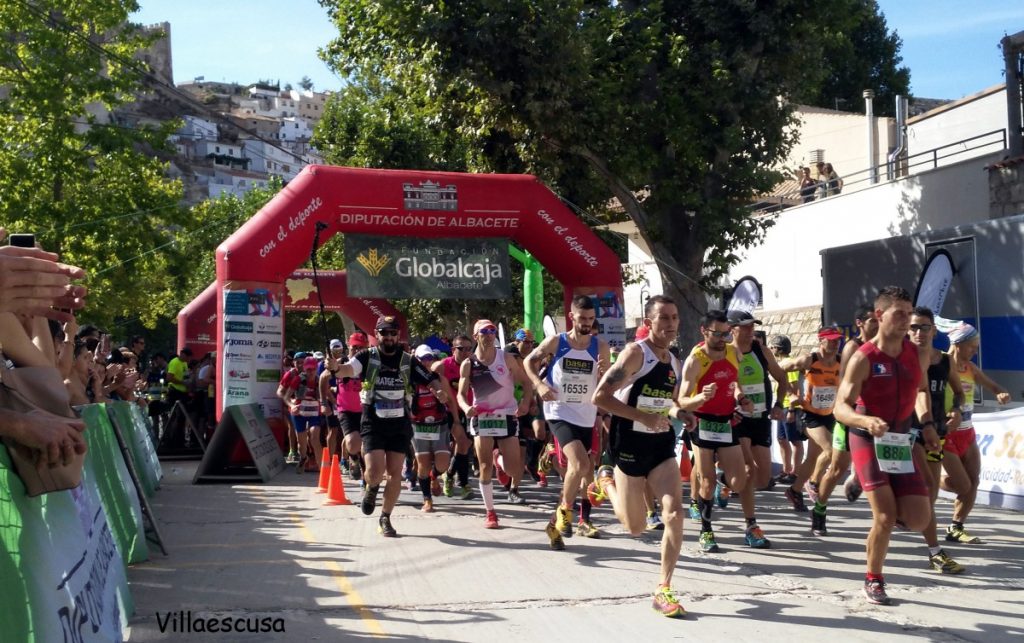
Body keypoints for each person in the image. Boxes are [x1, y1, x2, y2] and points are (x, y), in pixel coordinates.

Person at [588, 295, 691, 618]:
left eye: (674, 318)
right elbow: (599, 397)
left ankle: (663, 587)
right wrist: (642, 417)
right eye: (663, 318)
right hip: (628, 442)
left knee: (674, 513)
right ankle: (606, 483)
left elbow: (669, 401)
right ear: (649, 322)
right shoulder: (636, 354)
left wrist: (680, 413)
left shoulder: (673, 361)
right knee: (634, 528)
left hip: (660, 445)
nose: (671, 324)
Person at [834, 286, 936, 605]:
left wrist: (928, 423)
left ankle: (865, 484)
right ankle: (874, 578)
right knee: (885, 517)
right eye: (900, 314)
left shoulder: (915, 353)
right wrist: (866, 423)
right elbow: (840, 406)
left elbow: (921, 390)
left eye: (910, 313)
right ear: (880, 315)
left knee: (920, 518)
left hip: (899, 439)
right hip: (867, 436)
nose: (907, 321)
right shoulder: (864, 357)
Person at [334, 316, 446, 537]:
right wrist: (335, 368)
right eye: (384, 333)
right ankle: (372, 486)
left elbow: (429, 377)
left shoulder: (407, 360)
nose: (389, 337)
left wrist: (438, 390)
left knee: (395, 474)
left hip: (399, 424)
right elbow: (348, 370)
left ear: (398, 335)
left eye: (392, 333)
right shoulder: (368, 356)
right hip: (374, 423)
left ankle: (385, 517)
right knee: (375, 472)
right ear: (377, 335)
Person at [526, 296, 610, 548]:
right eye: (582, 318)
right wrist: (539, 384)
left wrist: (603, 375)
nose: (586, 323)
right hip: (558, 411)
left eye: (590, 319)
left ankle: (553, 524)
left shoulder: (600, 346)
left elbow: (606, 381)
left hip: (585, 414)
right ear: (571, 317)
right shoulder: (557, 342)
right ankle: (566, 512)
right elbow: (528, 361)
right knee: (580, 463)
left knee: (583, 471)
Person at [677, 309, 752, 553]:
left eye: (726, 333)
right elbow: (681, 400)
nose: (723, 338)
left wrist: (741, 398)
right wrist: (700, 397)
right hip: (702, 422)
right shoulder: (696, 360)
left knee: (739, 481)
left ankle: (724, 482)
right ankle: (706, 531)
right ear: (704, 331)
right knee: (706, 481)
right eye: (717, 334)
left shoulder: (733, 352)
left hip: (726, 421)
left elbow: (735, 383)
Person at [457, 319, 533, 529]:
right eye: (485, 331)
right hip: (482, 417)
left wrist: (526, 403)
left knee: (513, 469)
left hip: (507, 414)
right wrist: (465, 408)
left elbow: (526, 383)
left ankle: (498, 458)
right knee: (484, 467)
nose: (490, 334)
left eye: (492, 331)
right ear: (476, 336)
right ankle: (490, 512)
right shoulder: (468, 364)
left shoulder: (506, 358)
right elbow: (461, 395)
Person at [941, 320, 1012, 544]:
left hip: (968, 433)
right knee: (963, 485)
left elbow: (994, 387)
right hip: (946, 435)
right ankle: (932, 479)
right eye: (972, 345)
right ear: (958, 344)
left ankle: (956, 527)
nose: (976, 350)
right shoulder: (940, 364)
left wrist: (1002, 394)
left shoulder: (971, 369)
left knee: (974, 482)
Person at [907, 307, 965, 573]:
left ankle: (934, 551)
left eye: (924, 327)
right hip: (903, 432)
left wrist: (957, 410)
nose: (919, 333)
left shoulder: (944, 360)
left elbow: (959, 392)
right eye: (913, 327)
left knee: (929, 491)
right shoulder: (901, 357)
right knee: (910, 491)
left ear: (934, 329)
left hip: (934, 433)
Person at [728, 310, 793, 549]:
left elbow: (782, 378)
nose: (750, 331)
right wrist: (738, 397)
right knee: (746, 470)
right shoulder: (727, 353)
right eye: (744, 327)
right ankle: (751, 525)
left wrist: (778, 404)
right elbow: (729, 383)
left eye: (752, 326)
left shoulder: (761, 350)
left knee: (763, 477)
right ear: (732, 328)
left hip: (761, 417)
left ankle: (726, 480)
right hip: (738, 418)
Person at [779, 326, 844, 530]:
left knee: (813, 457)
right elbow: (780, 367)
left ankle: (796, 490)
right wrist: (791, 394)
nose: (834, 344)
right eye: (830, 340)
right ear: (820, 340)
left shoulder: (841, 361)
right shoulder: (809, 359)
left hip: (829, 414)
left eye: (837, 341)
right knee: (831, 451)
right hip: (808, 414)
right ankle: (815, 483)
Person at [410, 344, 462, 512]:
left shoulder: (439, 379)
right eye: (422, 359)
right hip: (419, 426)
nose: (426, 362)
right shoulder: (409, 381)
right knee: (423, 465)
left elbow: (451, 402)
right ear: (416, 361)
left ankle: (434, 477)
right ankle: (427, 499)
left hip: (439, 425)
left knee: (442, 464)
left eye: (429, 358)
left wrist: (456, 421)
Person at [434, 334, 475, 500]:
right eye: (460, 348)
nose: (465, 352)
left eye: (468, 348)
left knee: (464, 446)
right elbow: (431, 370)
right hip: (450, 410)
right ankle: (463, 483)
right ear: (453, 350)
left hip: (470, 410)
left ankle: (449, 474)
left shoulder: (475, 365)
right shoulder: (445, 365)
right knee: (463, 442)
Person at [768, 335, 803, 483]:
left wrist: (792, 410)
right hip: (782, 406)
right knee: (781, 439)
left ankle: (796, 472)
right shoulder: (779, 364)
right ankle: (786, 469)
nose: (770, 349)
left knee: (795, 441)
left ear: (778, 348)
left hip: (790, 407)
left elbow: (795, 388)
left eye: (772, 347)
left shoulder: (789, 364)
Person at [281, 356, 323, 473]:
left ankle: (322, 468)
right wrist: (292, 405)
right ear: (304, 369)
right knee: (302, 442)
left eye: (313, 369)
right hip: (299, 412)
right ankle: (303, 457)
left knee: (315, 437)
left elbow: (326, 395)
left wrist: (326, 405)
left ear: (316, 369)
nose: (310, 372)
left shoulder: (319, 380)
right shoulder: (298, 380)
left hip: (314, 412)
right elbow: (286, 397)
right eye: (308, 369)